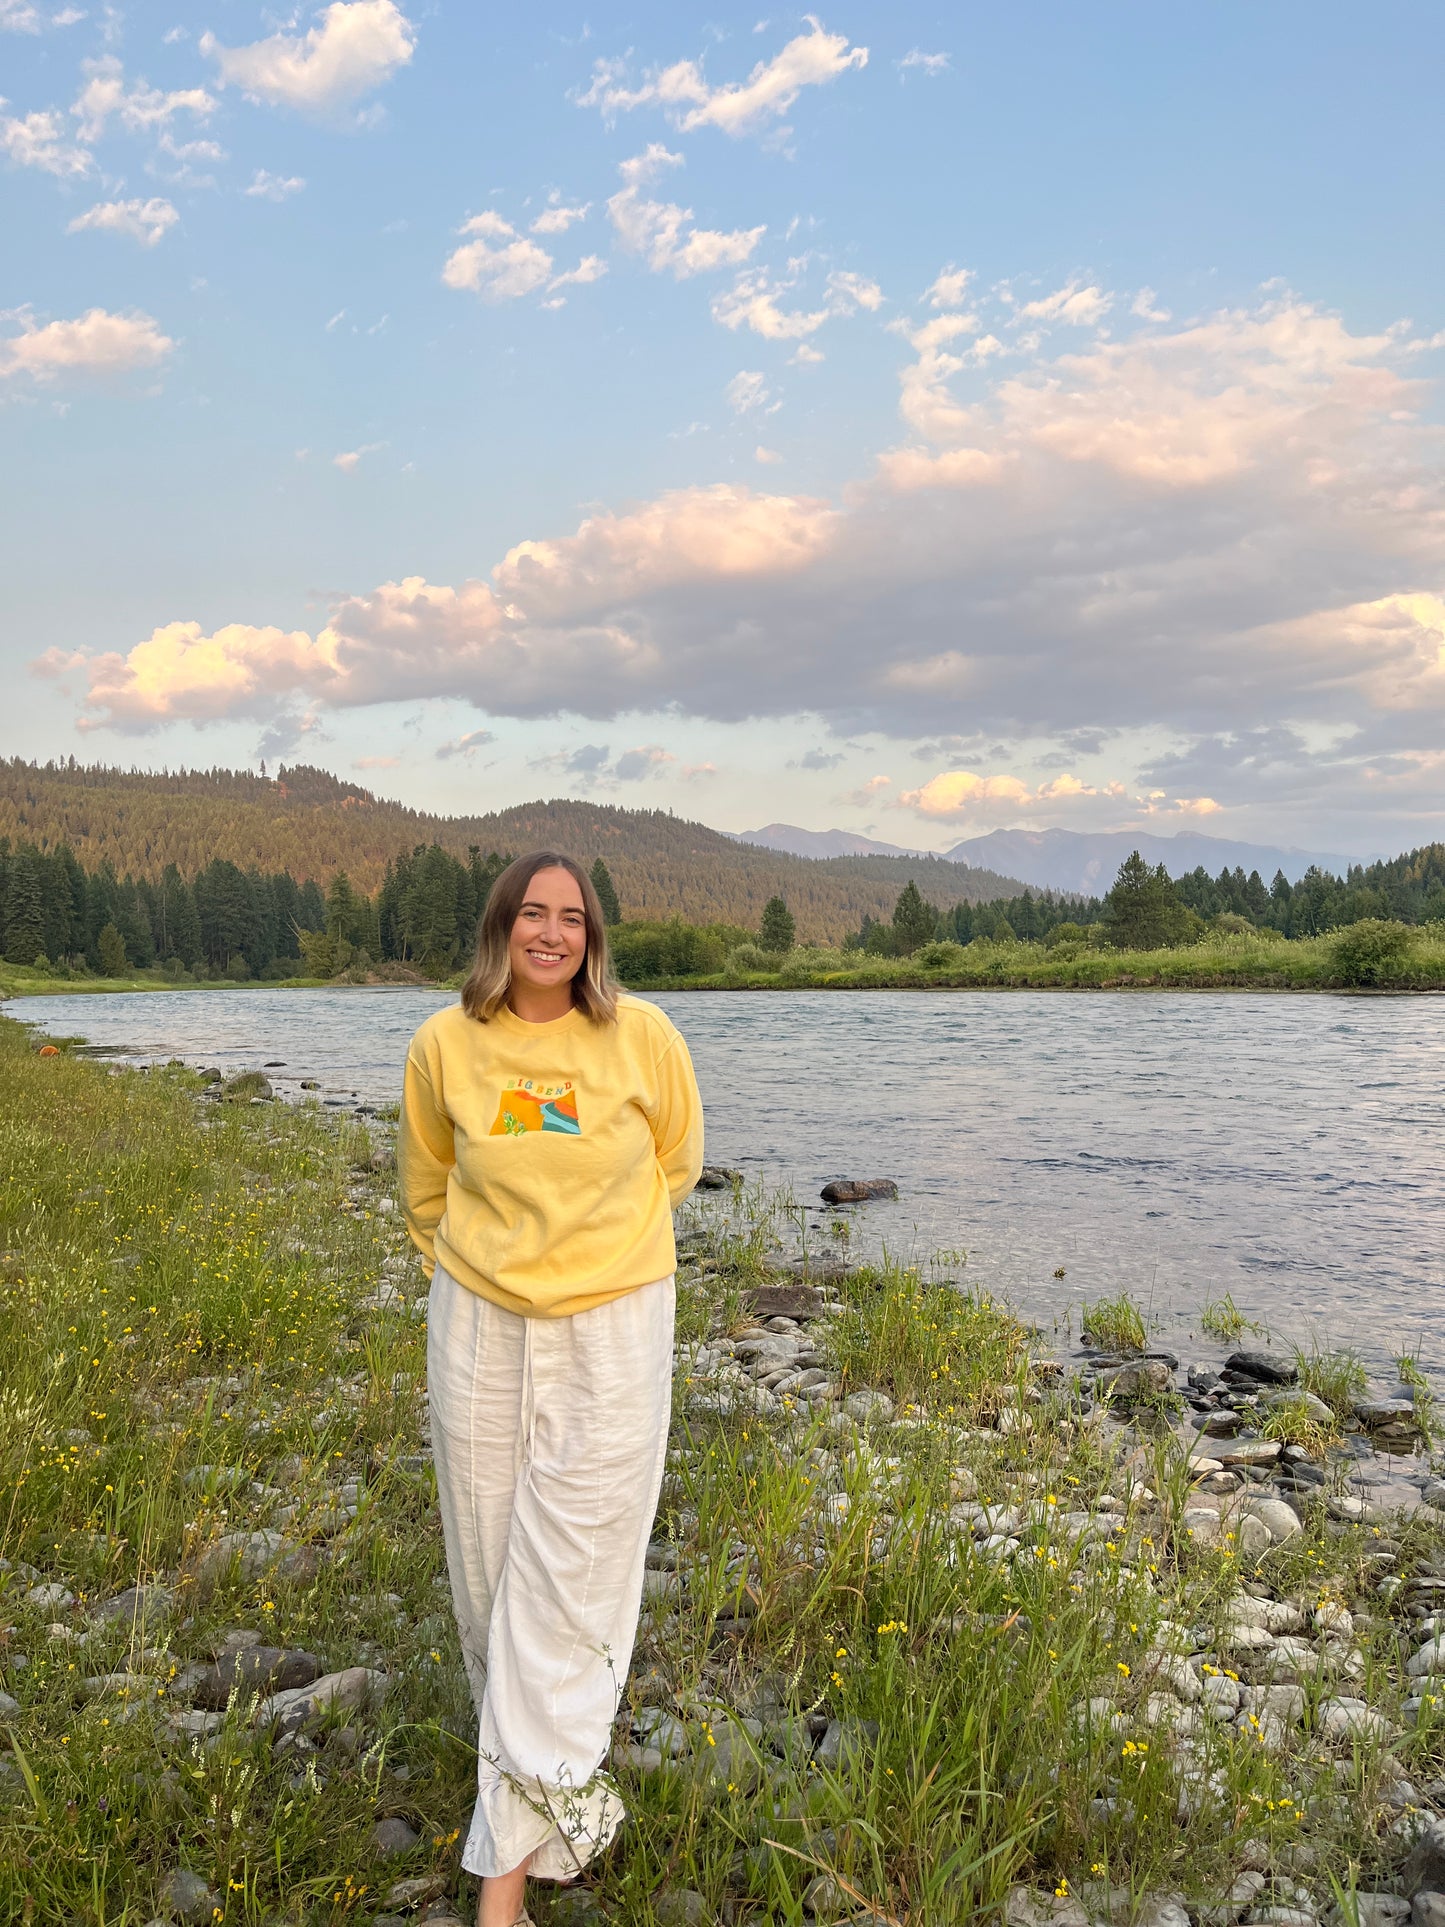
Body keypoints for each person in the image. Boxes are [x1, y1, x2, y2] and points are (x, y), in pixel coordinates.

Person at [398, 850, 704, 1927]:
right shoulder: (443, 1041)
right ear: (501, 926)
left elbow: (676, 1160)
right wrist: (494, 1269)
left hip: (614, 1322)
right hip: (477, 1321)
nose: (551, 932)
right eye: (533, 912)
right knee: (490, 1577)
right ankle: (545, 1812)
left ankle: (501, 1889)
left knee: (569, 1572)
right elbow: (426, 1184)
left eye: (571, 917)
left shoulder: (642, 1035)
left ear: (593, 936)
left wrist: (593, 1254)